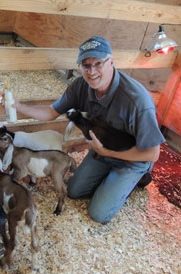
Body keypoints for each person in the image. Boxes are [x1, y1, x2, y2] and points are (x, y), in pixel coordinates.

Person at [13, 36, 165, 224]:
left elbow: (153, 153)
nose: (91, 71)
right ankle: (109, 180)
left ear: (111, 62)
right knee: (74, 191)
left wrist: (105, 151)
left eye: (98, 63)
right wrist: (18, 106)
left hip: (132, 158)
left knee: (98, 213)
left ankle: (137, 179)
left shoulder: (137, 101)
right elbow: (52, 112)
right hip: (104, 150)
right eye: (86, 65)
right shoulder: (81, 86)